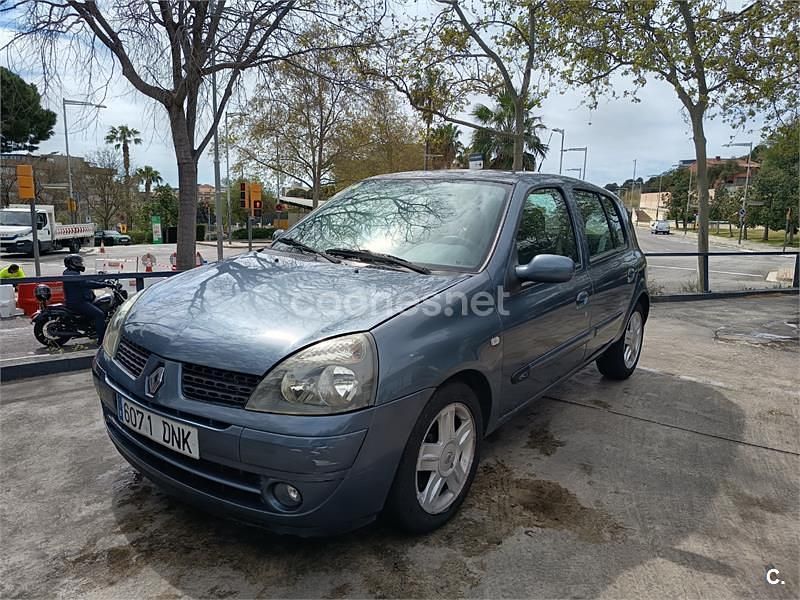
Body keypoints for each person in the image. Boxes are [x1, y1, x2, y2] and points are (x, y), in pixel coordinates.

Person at [62, 254, 109, 343]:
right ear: (72, 263)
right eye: (78, 262)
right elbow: (86, 283)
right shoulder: (71, 274)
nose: (80, 264)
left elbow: (86, 281)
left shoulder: (71, 273)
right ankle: (101, 340)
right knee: (99, 315)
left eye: (80, 262)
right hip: (78, 302)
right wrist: (104, 284)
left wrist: (100, 279)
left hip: (80, 300)